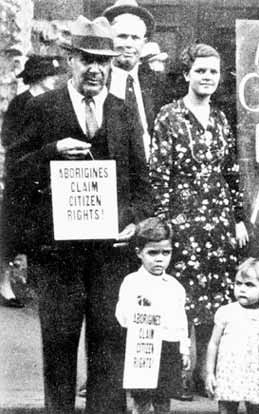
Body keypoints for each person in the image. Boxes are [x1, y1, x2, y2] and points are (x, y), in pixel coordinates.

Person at [5, 16, 152, 413]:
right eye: (86, 59)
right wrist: (52, 150)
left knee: (109, 345)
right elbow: (16, 174)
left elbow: (141, 182)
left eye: (103, 61)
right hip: (57, 256)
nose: (95, 69)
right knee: (59, 345)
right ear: (70, 60)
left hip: (110, 254)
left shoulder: (122, 111)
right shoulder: (41, 108)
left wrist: (135, 222)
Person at [149, 43, 249, 395]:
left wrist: (238, 218)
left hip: (218, 218)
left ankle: (204, 375)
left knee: (213, 297)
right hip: (183, 218)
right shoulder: (169, 116)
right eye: (201, 71)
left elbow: (231, 172)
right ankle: (176, 377)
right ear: (187, 74)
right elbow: (159, 173)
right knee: (181, 297)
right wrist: (163, 222)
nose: (208, 77)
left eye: (213, 72)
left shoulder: (221, 119)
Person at [1, 55, 67, 308]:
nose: (55, 80)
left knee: (39, 232)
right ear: (40, 77)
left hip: (45, 176)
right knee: (12, 234)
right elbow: (11, 141)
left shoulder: (51, 103)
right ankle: (5, 285)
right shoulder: (21, 104)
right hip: (22, 177)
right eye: (52, 76)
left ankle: (36, 284)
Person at [115, 217, 190, 413]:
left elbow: (181, 321)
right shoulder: (132, 282)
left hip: (168, 349)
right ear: (139, 252)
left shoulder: (175, 287)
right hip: (142, 348)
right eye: (153, 253)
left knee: (163, 400)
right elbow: (122, 316)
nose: (159, 258)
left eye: (166, 253)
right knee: (141, 400)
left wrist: (184, 348)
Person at [204, 258, 259, 414]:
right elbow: (213, 344)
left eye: (249, 285)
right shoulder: (226, 312)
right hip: (229, 375)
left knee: (257, 410)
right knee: (226, 410)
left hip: (257, 377)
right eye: (238, 284)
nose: (242, 289)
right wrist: (210, 373)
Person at [103, 0, 170, 160]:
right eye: (122, 37)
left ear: (144, 43)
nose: (129, 44)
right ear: (109, 40)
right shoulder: (98, 81)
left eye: (135, 38)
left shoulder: (156, 83)